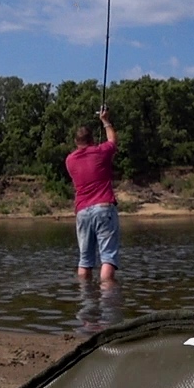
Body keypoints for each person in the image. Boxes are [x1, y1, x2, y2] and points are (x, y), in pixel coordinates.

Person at [64, 107, 119, 282]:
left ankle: (86, 298)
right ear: (92, 139)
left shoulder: (70, 160)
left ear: (75, 141)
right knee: (108, 257)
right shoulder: (101, 152)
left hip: (82, 211)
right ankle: (108, 299)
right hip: (103, 207)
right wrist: (105, 121)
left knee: (85, 260)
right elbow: (112, 140)